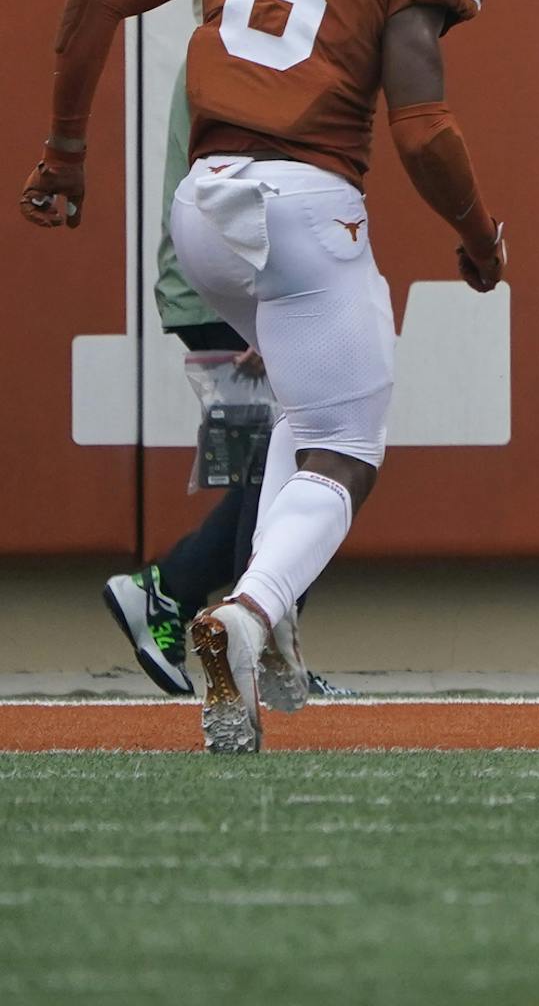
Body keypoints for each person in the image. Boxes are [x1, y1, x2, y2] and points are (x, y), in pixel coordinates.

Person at [23, 0, 504, 752]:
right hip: (303, 202)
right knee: (348, 443)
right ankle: (243, 615)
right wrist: (474, 234)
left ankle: (264, 640)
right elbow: (424, 126)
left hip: (202, 207)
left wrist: (66, 152)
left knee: (304, 397)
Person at [101, 59, 349, 701]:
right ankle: (251, 642)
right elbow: (253, 178)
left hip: (219, 286)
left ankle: (173, 592)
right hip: (236, 290)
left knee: (277, 471)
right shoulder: (252, 44)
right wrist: (270, 305)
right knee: (306, 464)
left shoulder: (232, 38)